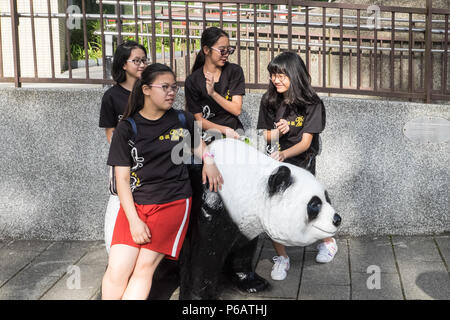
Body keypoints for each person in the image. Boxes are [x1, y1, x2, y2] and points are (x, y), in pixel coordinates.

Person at [102, 63, 223, 300]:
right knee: (117, 270)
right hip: (134, 206)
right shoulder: (127, 128)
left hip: (173, 203)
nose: (171, 92)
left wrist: (209, 161)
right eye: (164, 87)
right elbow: (122, 180)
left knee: (143, 269)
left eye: (174, 87)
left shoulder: (182, 119)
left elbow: (199, 145)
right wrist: (135, 222)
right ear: (146, 89)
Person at [184, 26, 269, 293]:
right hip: (209, 141)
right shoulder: (193, 80)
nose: (227, 53)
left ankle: (241, 267)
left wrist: (213, 94)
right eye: (222, 49)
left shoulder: (234, 72)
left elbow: (236, 108)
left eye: (229, 49)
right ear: (206, 50)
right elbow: (196, 120)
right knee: (211, 199)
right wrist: (222, 130)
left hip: (235, 142)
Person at [257, 51, 337, 281]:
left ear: (294, 74)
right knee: (271, 209)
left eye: (281, 75)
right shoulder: (269, 100)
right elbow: (266, 135)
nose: (276, 80)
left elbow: (306, 143)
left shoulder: (312, 104)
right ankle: (282, 257)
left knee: (304, 209)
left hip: (301, 162)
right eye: (273, 75)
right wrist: (277, 132)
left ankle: (327, 241)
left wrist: (284, 152)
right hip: (275, 162)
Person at [99, 40, 149, 253]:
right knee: (119, 199)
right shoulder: (111, 96)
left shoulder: (149, 91)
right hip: (124, 161)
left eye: (144, 60)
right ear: (123, 65)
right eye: (136, 61)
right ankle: (114, 249)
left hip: (149, 159)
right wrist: (125, 154)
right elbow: (110, 132)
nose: (141, 65)